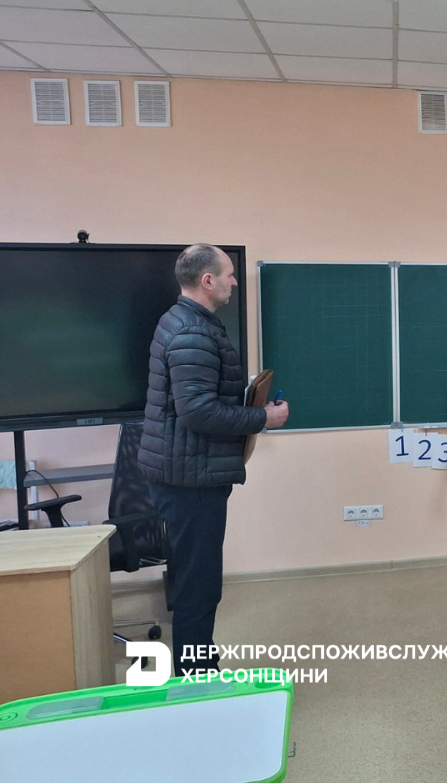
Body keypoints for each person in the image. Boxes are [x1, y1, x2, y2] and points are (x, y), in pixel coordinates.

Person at [138, 244, 289, 677]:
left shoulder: (187, 321)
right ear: (207, 280)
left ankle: (199, 671)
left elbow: (197, 399)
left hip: (188, 470)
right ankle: (195, 680)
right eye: (228, 274)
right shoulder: (192, 331)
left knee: (196, 581)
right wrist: (262, 417)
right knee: (198, 586)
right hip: (190, 479)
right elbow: (198, 412)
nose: (235, 282)